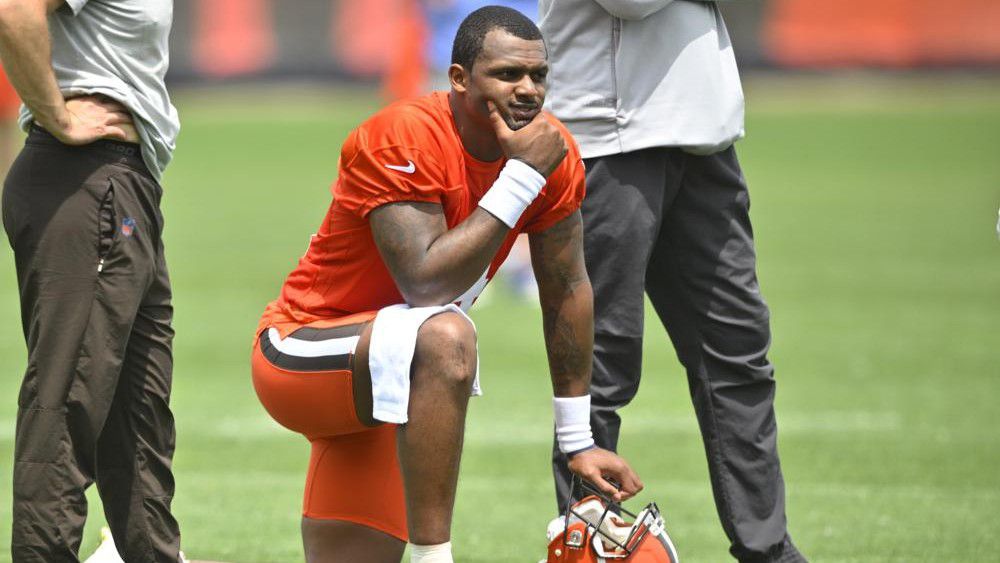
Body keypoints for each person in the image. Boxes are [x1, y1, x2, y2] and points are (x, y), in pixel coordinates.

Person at [250, 6, 642, 563]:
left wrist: (578, 441)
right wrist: (522, 178)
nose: (527, 89)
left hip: (392, 376)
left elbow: (567, 288)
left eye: (538, 75)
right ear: (458, 78)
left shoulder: (553, 151)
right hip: (303, 350)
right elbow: (426, 284)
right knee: (446, 334)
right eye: (507, 74)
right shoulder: (403, 133)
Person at [538, 1, 807, 562]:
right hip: (609, 138)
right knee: (602, 363)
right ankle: (586, 547)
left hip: (704, 138)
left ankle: (769, 551)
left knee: (738, 356)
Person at [0, 0, 182, 561]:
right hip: (87, 177)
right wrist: (55, 113)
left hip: (122, 184)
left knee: (139, 408)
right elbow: (15, 11)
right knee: (68, 396)